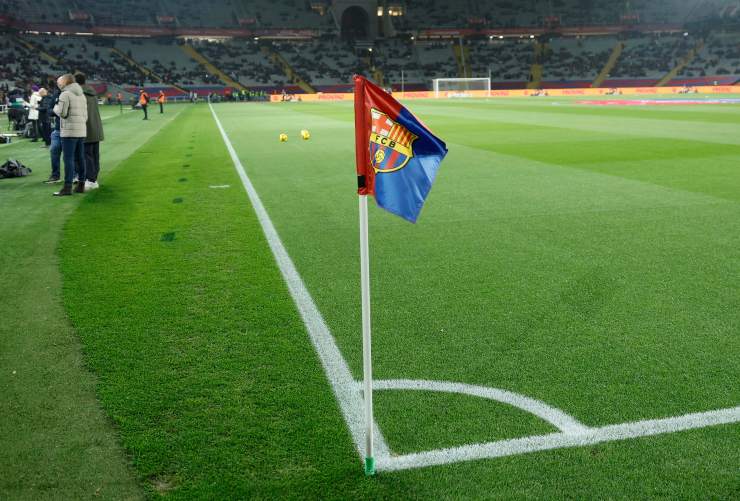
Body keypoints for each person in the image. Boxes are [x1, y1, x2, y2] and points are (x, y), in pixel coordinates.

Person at [52, 74, 87, 196]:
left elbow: (62, 113)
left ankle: (67, 187)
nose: (58, 84)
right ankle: (81, 184)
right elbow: (85, 116)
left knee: (68, 159)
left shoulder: (65, 94)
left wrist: (55, 108)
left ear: (65, 82)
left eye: (59, 82)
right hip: (81, 130)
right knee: (80, 158)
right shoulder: (81, 95)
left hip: (69, 131)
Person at [75, 73, 104, 190]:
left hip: (86, 129)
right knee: (94, 155)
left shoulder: (79, 95)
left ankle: (91, 180)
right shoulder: (92, 92)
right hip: (96, 128)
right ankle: (94, 179)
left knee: (87, 155)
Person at [43, 87, 63, 184]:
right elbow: (49, 110)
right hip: (58, 129)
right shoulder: (56, 94)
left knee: (71, 155)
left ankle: (75, 176)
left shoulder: (72, 93)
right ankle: (55, 175)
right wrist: (56, 111)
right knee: (54, 150)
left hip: (70, 130)